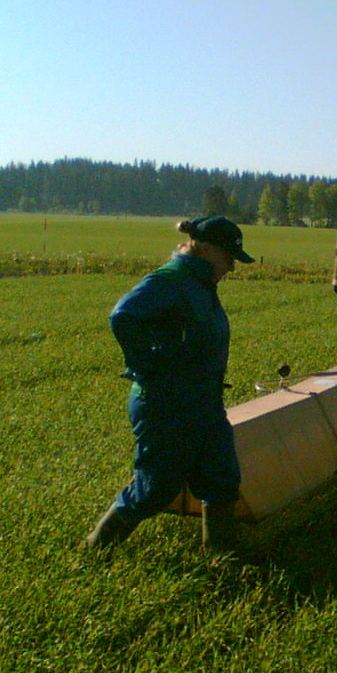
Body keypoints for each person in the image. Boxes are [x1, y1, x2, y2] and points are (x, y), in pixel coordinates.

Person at [86, 216, 255, 551]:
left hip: (203, 404)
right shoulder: (171, 280)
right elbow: (123, 316)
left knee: (221, 479)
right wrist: (151, 364)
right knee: (155, 489)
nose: (231, 267)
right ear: (204, 248)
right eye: (228, 258)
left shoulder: (201, 285)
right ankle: (96, 549)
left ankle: (222, 559)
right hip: (166, 405)